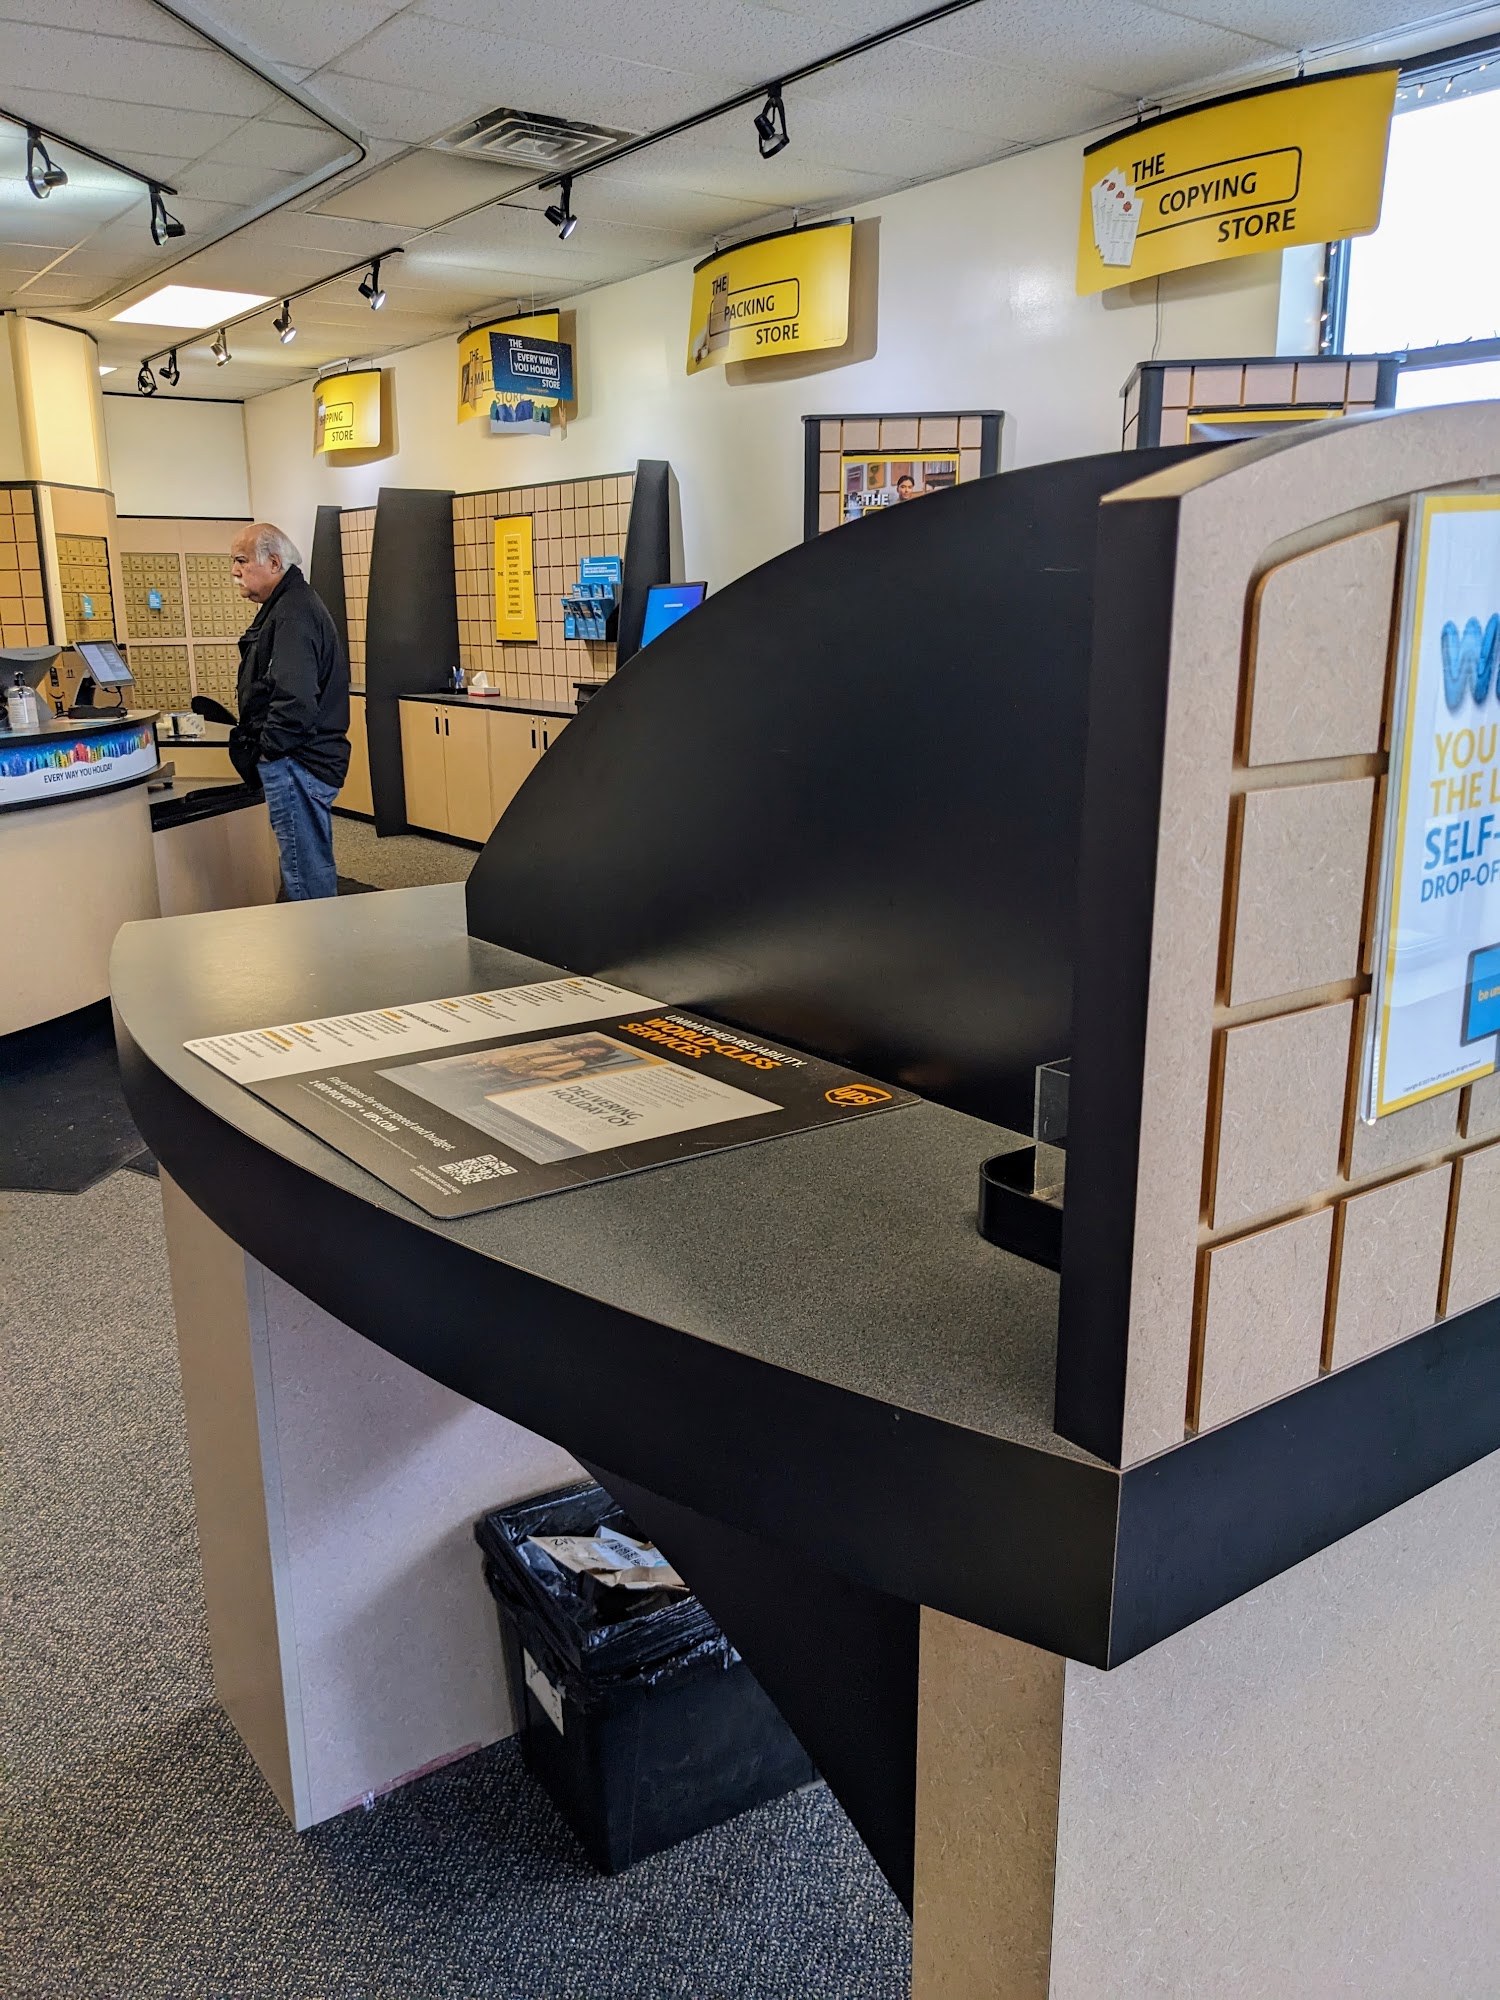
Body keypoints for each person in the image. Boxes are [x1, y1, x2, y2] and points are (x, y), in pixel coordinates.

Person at [229, 523, 350, 900]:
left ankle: (318, 938)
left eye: (241, 561)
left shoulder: (292, 613)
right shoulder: (290, 605)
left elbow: (295, 700)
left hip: (297, 762)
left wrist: (268, 750)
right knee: (307, 864)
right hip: (300, 759)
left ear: (274, 562)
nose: (234, 571)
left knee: (304, 871)